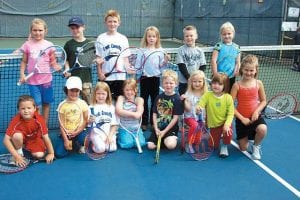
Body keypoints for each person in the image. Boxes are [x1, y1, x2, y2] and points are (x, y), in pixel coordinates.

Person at [19, 18, 61, 125]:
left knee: (46, 103)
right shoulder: (27, 45)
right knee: (36, 105)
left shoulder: (49, 45)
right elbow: (24, 61)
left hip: (47, 81)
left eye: (40, 30)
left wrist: (56, 66)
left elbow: (53, 61)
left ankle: (44, 125)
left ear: (45, 31)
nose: (38, 33)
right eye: (35, 30)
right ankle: (37, 123)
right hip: (33, 82)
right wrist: (22, 74)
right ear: (31, 31)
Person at [231, 55, 267, 160]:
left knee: (263, 129)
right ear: (242, 69)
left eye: (252, 70)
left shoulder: (258, 83)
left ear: (256, 70)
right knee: (243, 148)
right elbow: (230, 106)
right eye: (246, 70)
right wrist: (242, 118)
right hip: (242, 120)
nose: (249, 73)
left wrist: (256, 112)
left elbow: (264, 101)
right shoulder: (236, 85)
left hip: (255, 117)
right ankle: (248, 137)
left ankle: (256, 146)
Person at [3, 95, 55, 166]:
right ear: (19, 110)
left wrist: (51, 153)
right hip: (21, 139)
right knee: (17, 136)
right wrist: (16, 156)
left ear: (34, 108)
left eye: (29, 108)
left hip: (34, 140)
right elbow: (6, 140)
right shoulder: (16, 120)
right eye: (23, 108)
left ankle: (24, 149)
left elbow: (46, 137)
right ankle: (19, 152)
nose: (26, 111)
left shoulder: (39, 119)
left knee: (39, 155)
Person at [196, 73, 234, 158]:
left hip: (225, 123)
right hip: (214, 125)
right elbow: (201, 104)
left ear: (225, 86)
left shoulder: (228, 98)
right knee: (213, 146)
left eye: (220, 84)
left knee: (228, 132)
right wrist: (198, 108)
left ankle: (224, 146)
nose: (216, 86)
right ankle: (216, 138)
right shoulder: (207, 95)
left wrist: (227, 125)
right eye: (214, 83)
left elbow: (231, 114)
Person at [96, 9, 130, 101]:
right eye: (110, 21)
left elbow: (125, 58)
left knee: (119, 103)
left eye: (115, 21)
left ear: (119, 23)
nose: (112, 24)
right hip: (105, 77)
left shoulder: (123, 39)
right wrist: (100, 73)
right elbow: (98, 58)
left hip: (120, 77)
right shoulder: (100, 38)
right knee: (105, 102)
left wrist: (129, 70)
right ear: (106, 23)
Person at [139, 26, 168, 130]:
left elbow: (162, 66)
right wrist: (136, 73)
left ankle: (153, 121)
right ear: (146, 38)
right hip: (144, 79)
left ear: (157, 38)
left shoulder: (160, 51)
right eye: (149, 36)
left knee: (155, 101)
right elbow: (138, 64)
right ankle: (144, 122)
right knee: (144, 101)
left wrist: (165, 61)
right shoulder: (142, 50)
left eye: (154, 36)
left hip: (155, 79)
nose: (151, 38)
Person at [148, 70, 184, 150]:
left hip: (170, 129)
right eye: (166, 83)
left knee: (170, 146)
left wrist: (164, 132)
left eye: (171, 83)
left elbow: (175, 118)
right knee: (150, 146)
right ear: (162, 84)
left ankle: (168, 139)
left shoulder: (177, 99)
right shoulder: (158, 97)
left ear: (176, 84)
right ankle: (161, 139)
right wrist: (156, 128)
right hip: (159, 128)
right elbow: (154, 114)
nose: (168, 85)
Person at [55, 76, 89, 158]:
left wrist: (77, 132)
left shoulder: (83, 104)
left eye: (76, 91)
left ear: (80, 91)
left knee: (85, 140)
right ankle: (72, 143)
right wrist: (66, 140)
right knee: (59, 154)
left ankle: (80, 143)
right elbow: (61, 124)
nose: (74, 93)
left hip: (79, 131)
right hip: (67, 133)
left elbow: (85, 121)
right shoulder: (62, 105)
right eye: (71, 90)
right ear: (66, 90)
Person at [63, 16, 93, 104]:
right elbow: (66, 59)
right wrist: (67, 68)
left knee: (88, 104)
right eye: (72, 28)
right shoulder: (68, 44)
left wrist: (97, 60)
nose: (75, 30)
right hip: (72, 79)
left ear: (83, 27)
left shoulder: (90, 44)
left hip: (86, 80)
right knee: (72, 104)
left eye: (77, 27)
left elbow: (93, 58)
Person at [87, 81, 118, 153]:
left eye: (103, 94)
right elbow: (87, 124)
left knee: (112, 148)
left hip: (108, 134)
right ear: (95, 94)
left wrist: (110, 137)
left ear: (107, 95)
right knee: (101, 149)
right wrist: (89, 120)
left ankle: (104, 143)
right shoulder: (91, 107)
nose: (100, 96)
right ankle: (93, 144)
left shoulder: (111, 107)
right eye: (98, 93)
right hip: (96, 135)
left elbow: (114, 125)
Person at [116, 79, 146, 149]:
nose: (129, 92)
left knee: (141, 143)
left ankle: (134, 136)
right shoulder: (121, 98)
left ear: (136, 90)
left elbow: (138, 114)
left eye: (131, 90)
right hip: (124, 128)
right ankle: (120, 137)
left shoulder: (139, 100)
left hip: (136, 129)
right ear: (123, 90)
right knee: (128, 144)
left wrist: (126, 113)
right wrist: (133, 114)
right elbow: (118, 111)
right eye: (127, 90)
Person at [176, 25, 207, 95]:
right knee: (184, 101)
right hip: (184, 83)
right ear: (184, 37)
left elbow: (203, 66)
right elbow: (181, 65)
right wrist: (189, 79)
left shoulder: (200, 51)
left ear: (196, 36)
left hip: (197, 83)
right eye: (187, 36)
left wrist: (196, 79)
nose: (189, 38)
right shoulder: (181, 50)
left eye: (191, 35)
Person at [181, 70, 208, 148]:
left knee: (197, 141)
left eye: (199, 81)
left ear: (203, 82)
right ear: (191, 82)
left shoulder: (206, 94)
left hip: (201, 118)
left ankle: (193, 141)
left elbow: (207, 107)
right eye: (195, 81)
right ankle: (189, 143)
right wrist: (184, 101)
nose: (197, 83)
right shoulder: (188, 94)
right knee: (195, 126)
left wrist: (206, 119)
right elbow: (188, 109)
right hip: (190, 117)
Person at [211, 22, 240, 91]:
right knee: (218, 93)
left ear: (233, 34)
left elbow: (237, 62)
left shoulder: (237, 47)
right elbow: (213, 60)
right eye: (224, 34)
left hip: (231, 77)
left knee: (229, 94)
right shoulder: (218, 46)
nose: (227, 36)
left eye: (229, 34)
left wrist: (236, 71)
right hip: (219, 76)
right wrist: (215, 74)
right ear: (221, 35)